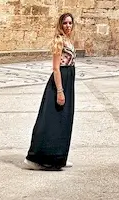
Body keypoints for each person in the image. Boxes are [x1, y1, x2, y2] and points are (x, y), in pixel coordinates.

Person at [24, 13, 77, 170]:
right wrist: (60, 91)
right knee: (51, 120)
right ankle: (37, 158)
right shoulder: (59, 41)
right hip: (59, 82)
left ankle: (59, 156)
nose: (68, 25)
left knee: (64, 120)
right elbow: (56, 68)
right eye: (65, 23)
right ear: (60, 25)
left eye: (70, 23)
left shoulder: (69, 40)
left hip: (69, 81)